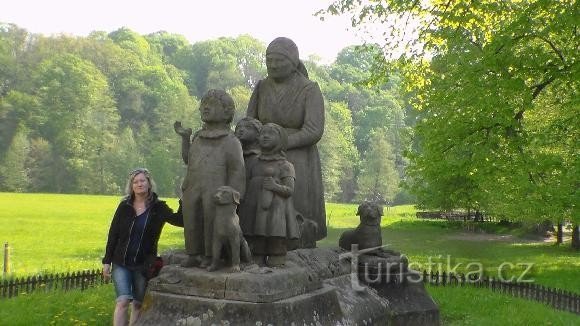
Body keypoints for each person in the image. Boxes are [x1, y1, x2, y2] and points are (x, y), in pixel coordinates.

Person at [247, 37, 326, 245]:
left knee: (295, 206)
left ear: (292, 62)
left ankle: (298, 241)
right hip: (262, 157)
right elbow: (250, 123)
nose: (272, 65)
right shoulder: (262, 87)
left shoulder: (309, 89)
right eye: (269, 60)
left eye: (278, 61)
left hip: (297, 155)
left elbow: (314, 129)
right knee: (261, 208)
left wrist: (281, 142)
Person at [102, 168, 183, 326]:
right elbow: (113, 234)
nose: (139, 184)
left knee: (138, 305)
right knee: (123, 301)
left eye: (142, 181)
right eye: (135, 182)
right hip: (121, 262)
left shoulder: (158, 208)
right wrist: (106, 261)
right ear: (131, 186)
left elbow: (179, 221)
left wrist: (183, 199)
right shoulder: (124, 206)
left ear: (149, 183)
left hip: (143, 264)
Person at [174, 89, 245, 268]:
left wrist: (233, 195)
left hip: (216, 190)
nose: (205, 107)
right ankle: (193, 254)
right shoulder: (198, 137)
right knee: (191, 220)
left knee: (210, 221)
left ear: (227, 111)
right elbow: (188, 159)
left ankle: (209, 256)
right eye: (203, 104)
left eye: (211, 104)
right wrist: (185, 139)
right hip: (193, 186)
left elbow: (238, 171)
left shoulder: (231, 141)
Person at [242, 123, 300, 267]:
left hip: (276, 207)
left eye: (270, 133)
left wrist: (275, 187)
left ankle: (277, 255)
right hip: (255, 205)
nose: (265, 136)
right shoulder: (254, 163)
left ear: (280, 139)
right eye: (262, 133)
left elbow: (289, 190)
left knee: (275, 233)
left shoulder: (285, 165)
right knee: (257, 232)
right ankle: (258, 255)